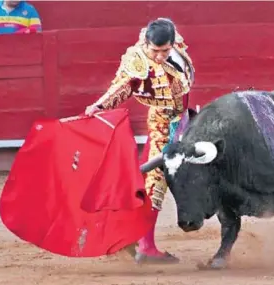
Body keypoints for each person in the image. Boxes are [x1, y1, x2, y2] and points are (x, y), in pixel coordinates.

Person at [84, 18, 195, 263]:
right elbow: (121, 88)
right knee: (156, 179)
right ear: (146, 44)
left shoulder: (174, 43)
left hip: (183, 118)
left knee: (145, 176)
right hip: (163, 122)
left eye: (165, 51)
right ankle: (145, 245)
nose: (159, 56)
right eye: (155, 51)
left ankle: (128, 237)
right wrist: (99, 106)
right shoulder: (137, 60)